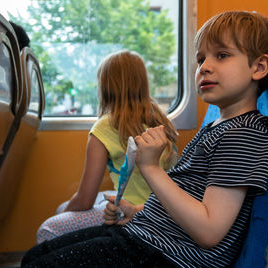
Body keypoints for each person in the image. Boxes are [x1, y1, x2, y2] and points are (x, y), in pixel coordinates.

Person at [21, 10, 268, 268]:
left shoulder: (242, 134)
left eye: (222, 55)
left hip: (168, 256)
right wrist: (138, 211)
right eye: (201, 59)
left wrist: (151, 168)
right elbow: (190, 196)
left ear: (258, 67)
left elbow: (209, 231)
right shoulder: (217, 126)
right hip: (149, 235)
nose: (204, 67)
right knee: (35, 256)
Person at [36, 50, 178, 243]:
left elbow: (85, 199)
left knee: (50, 228)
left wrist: (64, 215)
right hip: (163, 209)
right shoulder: (161, 121)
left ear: (106, 87)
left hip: (129, 211)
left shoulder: (104, 127)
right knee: (63, 209)